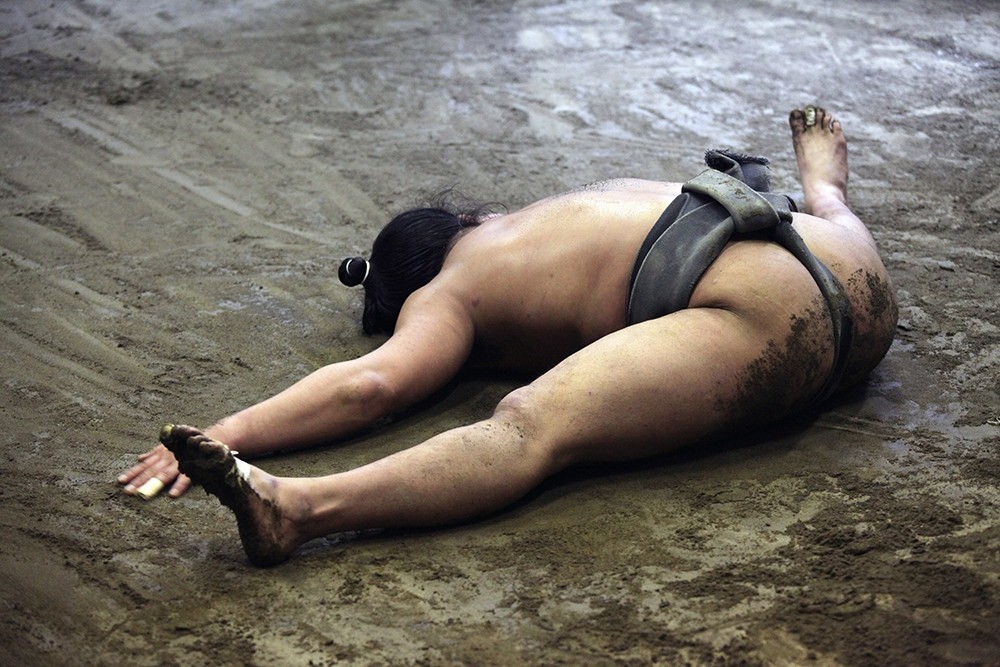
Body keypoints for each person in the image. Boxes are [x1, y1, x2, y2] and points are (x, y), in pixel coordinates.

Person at [118, 107, 898, 566]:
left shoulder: (449, 287)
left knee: (527, 425)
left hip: (773, 327)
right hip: (859, 279)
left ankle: (298, 509)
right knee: (813, 215)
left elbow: (373, 384)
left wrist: (230, 427)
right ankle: (827, 186)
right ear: (470, 216)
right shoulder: (566, 205)